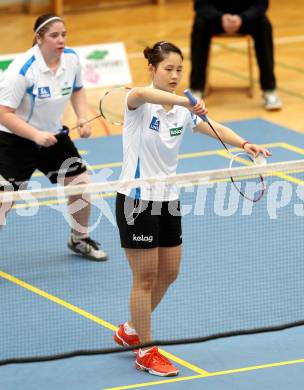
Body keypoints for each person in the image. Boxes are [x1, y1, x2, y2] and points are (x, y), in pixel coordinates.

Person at [113, 41, 271, 376]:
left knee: (169, 273)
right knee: (144, 277)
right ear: (153, 69)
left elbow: (215, 128)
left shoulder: (183, 111)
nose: (173, 75)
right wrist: (187, 99)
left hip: (167, 199)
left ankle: (130, 329)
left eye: (179, 70)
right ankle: (146, 350)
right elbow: (146, 95)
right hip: (136, 200)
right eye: (167, 69)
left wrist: (244, 143)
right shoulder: (138, 102)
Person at [0, 14, 107, 261]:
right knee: (5, 199)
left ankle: (79, 238)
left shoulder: (71, 59)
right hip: (16, 139)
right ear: (39, 38)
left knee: (80, 183)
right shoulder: (22, 69)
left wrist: (81, 116)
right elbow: (4, 114)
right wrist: (35, 135)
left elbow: (78, 90)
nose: (61, 40)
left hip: (53, 136)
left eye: (64, 34)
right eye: (54, 35)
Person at [190, 0, 282, 111]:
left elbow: (261, 4)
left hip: (246, 18)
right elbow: (200, 4)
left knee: (264, 25)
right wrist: (221, 17)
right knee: (199, 24)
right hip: (215, 19)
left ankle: (269, 90)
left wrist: (242, 18)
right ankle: (196, 89)